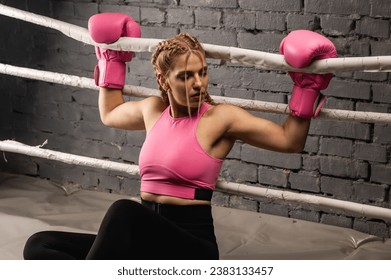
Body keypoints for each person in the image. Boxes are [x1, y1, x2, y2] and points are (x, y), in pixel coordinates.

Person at [23, 13, 337, 260]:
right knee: (40, 244)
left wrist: (305, 87)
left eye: (202, 72)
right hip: (143, 238)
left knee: (123, 210)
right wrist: (111, 58)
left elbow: (289, 141)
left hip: (190, 245)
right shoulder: (152, 110)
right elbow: (110, 113)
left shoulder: (219, 118)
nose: (199, 83)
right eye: (186, 76)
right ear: (164, 79)